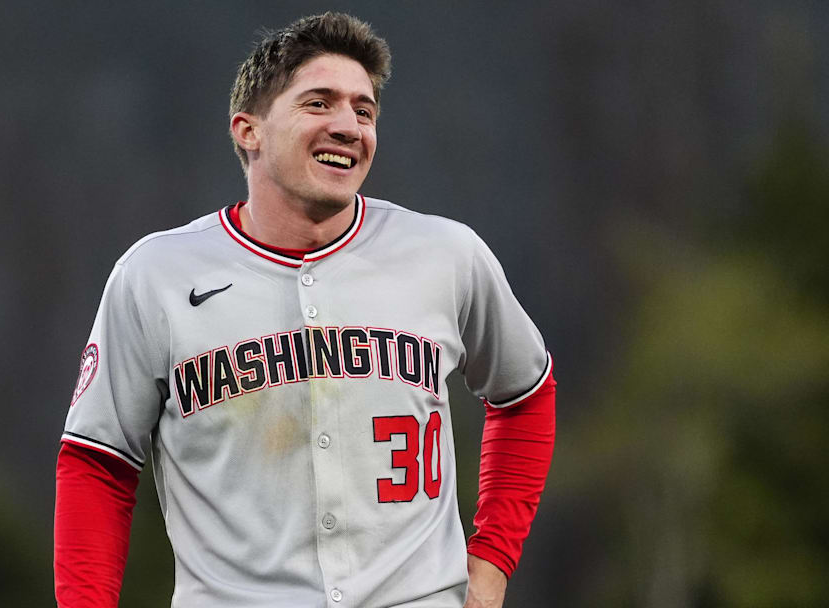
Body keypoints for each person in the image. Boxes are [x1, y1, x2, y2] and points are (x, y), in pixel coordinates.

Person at [55, 12, 556, 608]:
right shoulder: (156, 276)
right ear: (249, 131)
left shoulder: (446, 255)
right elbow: (97, 462)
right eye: (319, 103)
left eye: (364, 111)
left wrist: (493, 560)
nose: (349, 126)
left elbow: (526, 394)